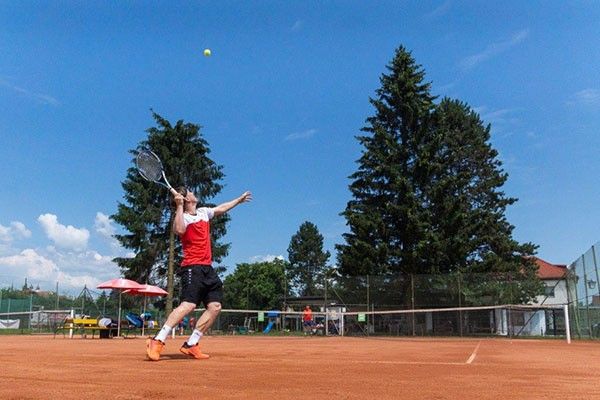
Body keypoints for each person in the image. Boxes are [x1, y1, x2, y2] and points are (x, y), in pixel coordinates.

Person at [146, 187, 252, 361]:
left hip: (207, 269)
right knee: (188, 305)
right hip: (192, 267)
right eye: (190, 192)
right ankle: (157, 340)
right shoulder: (184, 217)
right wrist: (179, 206)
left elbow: (221, 208)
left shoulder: (203, 212)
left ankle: (191, 344)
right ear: (187, 199)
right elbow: (178, 230)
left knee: (215, 306)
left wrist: (238, 200)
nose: (194, 193)